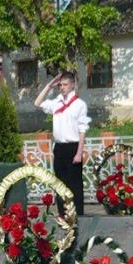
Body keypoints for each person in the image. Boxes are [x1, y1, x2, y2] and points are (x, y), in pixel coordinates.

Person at [35, 71, 90, 216]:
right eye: (60, 85)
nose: (62, 87)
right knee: (60, 184)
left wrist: (79, 152)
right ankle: (63, 215)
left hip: (73, 147)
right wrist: (49, 86)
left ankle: (78, 215)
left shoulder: (79, 104)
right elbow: (37, 103)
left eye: (65, 84)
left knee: (75, 184)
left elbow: (82, 129)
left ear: (72, 85)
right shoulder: (56, 102)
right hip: (59, 147)